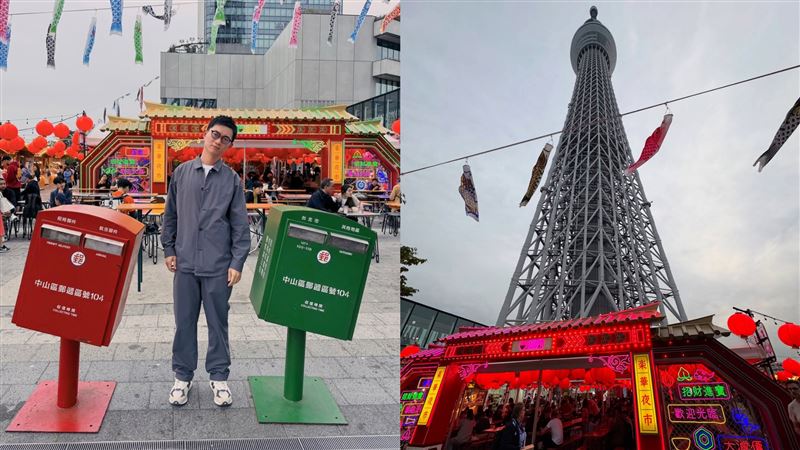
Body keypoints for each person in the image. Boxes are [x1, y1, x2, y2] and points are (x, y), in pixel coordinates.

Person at [161, 116, 249, 408]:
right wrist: (169, 248)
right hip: (185, 262)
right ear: (205, 133)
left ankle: (219, 377)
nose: (218, 141)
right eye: (215, 134)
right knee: (184, 323)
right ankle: (182, 376)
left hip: (218, 266)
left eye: (225, 139)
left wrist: (237, 262)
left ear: (230, 145)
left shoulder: (232, 181)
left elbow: (239, 225)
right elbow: (170, 215)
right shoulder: (183, 174)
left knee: (217, 323)